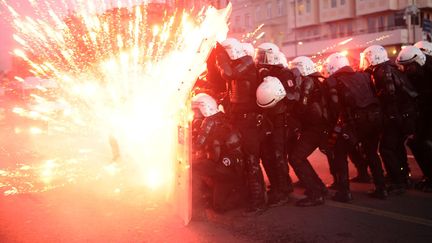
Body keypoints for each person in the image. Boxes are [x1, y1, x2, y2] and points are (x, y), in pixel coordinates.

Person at [212, 38, 267, 214]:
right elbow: (224, 81)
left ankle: (259, 202)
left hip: (249, 121)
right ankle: (247, 196)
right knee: (241, 160)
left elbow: (228, 74)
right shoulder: (236, 65)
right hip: (238, 119)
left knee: (251, 161)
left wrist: (220, 57)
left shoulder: (246, 62)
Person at [324, 52, 387, 202]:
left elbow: (333, 108)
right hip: (374, 120)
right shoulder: (364, 75)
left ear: (332, 67)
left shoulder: (332, 81)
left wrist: (334, 127)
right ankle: (381, 188)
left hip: (354, 123)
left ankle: (344, 192)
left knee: (339, 153)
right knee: (372, 153)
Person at [360, 45, 418, 193]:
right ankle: (402, 175)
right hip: (404, 115)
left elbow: (390, 96)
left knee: (387, 148)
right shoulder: (390, 67)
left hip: (396, 116)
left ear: (373, 57)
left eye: (367, 59)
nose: (365, 62)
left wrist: (390, 117)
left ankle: (398, 180)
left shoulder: (382, 71)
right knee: (397, 147)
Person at [254, 43, 294, 207]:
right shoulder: (262, 72)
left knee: (278, 155)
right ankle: (279, 185)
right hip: (268, 119)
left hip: (281, 120)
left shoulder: (284, 73)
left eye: (262, 56)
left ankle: (283, 191)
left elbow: (292, 96)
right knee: (268, 154)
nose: (259, 60)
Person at [191, 93, 246, 214]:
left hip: (225, 170)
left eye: (196, 110)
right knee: (201, 165)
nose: (195, 114)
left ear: (203, 108)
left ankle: (198, 201)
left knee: (193, 167)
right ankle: (210, 193)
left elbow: (197, 145)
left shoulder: (209, 122)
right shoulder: (221, 116)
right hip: (230, 166)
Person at [396, 45, 432, 192]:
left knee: (424, 143)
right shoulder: (414, 73)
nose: (405, 71)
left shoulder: (428, 72)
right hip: (424, 112)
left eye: (408, 67)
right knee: (415, 142)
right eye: (403, 67)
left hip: (428, 112)